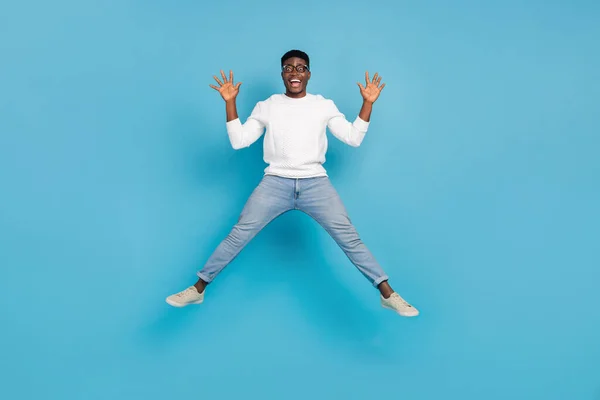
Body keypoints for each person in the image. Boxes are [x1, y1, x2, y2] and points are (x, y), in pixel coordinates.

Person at [165, 50, 419, 317]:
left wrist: (368, 103)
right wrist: (230, 102)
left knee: (350, 239)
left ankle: (388, 295)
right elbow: (239, 141)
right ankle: (198, 289)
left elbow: (353, 138)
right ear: (282, 74)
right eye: (288, 68)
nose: (294, 73)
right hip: (275, 183)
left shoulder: (323, 105)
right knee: (238, 234)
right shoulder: (267, 106)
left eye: (300, 68)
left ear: (308, 74)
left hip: (315, 184)